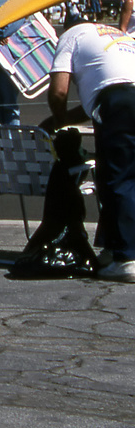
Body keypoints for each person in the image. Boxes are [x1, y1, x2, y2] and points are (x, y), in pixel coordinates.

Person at [45, 16, 135, 282]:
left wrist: (58, 121)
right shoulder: (118, 35)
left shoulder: (71, 36)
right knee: (123, 171)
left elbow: (59, 91)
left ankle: (127, 257)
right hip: (122, 95)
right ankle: (115, 246)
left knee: (118, 178)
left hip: (118, 100)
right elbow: (94, 100)